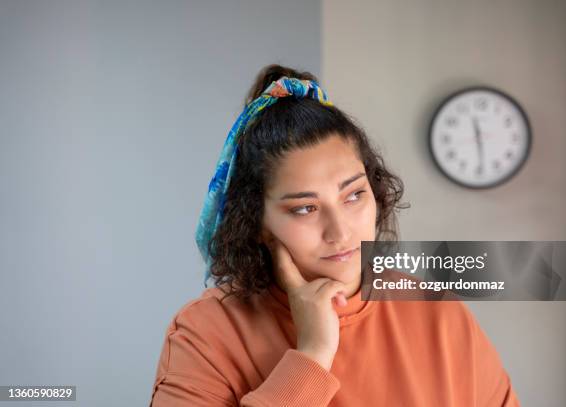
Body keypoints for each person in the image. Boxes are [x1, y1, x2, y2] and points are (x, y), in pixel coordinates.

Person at [149, 64, 520, 406]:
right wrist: (311, 356)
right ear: (257, 221)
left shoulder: (440, 316)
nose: (340, 231)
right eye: (305, 208)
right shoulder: (206, 332)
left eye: (354, 195)